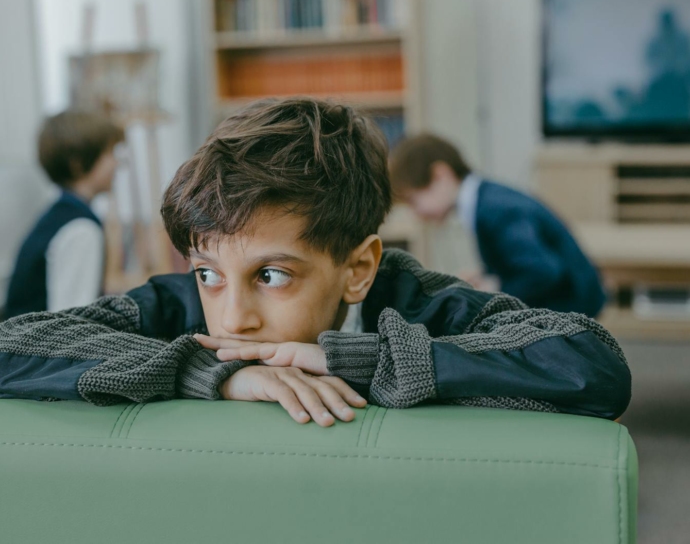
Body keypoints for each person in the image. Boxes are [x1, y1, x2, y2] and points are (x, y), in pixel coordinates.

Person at [0, 98, 630, 426]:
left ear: (358, 270)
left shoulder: (417, 301)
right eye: (208, 272)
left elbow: (594, 364)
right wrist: (208, 373)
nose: (232, 318)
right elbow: (12, 344)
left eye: (272, 276)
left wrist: (354, 360)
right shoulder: (188, 308)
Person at [389, 133, 607, 318]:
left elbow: (544, 271)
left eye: (413, 201)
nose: (416, 213)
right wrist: (487, 277)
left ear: (440, 175)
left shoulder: (495, 210)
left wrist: (494, 288)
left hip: (572, 306)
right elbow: (519, 261)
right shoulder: (486, 199)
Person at [4, 111, 124, 318]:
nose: (116, 163)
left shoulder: (59, 214)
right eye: (109, 154)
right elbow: (72, 324)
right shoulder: (80, 228)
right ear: (77, 164)